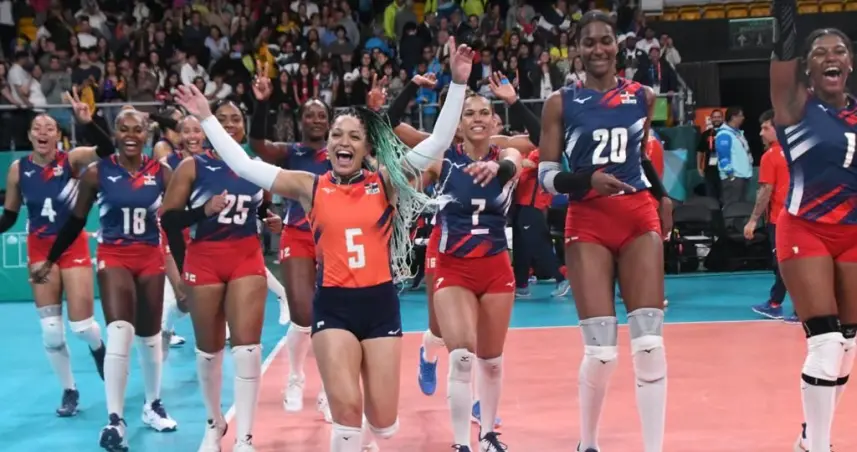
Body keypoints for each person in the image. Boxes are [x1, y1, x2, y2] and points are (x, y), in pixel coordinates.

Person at [175, 36, 472, 452]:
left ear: (366, 147)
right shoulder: (309, 186)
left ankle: (371, 431)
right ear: (329, 143)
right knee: (345, 410)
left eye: (353, 136)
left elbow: (437, 143)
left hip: (380, 306)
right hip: (333, 307)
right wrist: (207, 118)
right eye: (337, 134)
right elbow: (243, 164)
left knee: (384, 424)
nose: (343, 141)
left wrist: (457, 83)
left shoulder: (386, 182)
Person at [537, 10, 672, 452]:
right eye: (589, 42)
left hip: (637, 217)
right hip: (588, 219)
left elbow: (640, 156)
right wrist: (586, 181)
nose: (598, 49)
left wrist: (663, 195)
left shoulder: (643, 97)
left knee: (650, 345)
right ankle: (589, 442)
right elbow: (546, 176)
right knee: (601, 352)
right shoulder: (561, 102)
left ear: (618, 45)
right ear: (577, 50)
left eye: (605, 41)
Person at [31, 108, 178, 451]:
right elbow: (75, 222)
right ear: (115, 134)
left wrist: (185, 266)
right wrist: (50, 259)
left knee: (150, 337)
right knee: (120, 331)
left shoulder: (163, 173)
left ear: (147, 134)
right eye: (123, 129)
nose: (130, 135)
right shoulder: (97, 173)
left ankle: (152, 404)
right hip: (114, 256)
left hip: (150, 257)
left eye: (137, 129)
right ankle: (115, 419)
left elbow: (176, 223)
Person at [161, 102, 276, 452]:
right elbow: (168, 220)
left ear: (243, 125)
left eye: (235, 119)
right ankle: (214, 422)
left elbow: (261, 207)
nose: (228, 125)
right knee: (209, 352)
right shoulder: (192, 166)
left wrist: (270, 220)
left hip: (245, 256)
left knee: (247, 349)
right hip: (205, 259)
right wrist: (203, 210)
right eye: (221, 120)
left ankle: (245, 438)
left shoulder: (255, 166)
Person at [770, 2, 857, 450]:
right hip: (806, 228)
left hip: (853, 235)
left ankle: (810, 437)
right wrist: (785, 12)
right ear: (807, 67)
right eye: (820, 52)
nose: (830, 57)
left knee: (847, 346)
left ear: (850, 63)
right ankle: (819, 447)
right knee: (824, 343)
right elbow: (783, 53)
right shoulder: (796, 105)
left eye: (839, 50)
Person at [424, 74, 523, 452]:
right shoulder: (442, 159)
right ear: (458, 122)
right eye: (469, 113)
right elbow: (404, 163)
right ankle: (461, 443)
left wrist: (501, 170)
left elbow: (519, 159)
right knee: (463, 358)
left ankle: (488, 436)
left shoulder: (507, 155)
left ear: (494, 121)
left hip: (496, 267)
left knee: (492, 362)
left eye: (484, 112)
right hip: (454, 267)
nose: (477, 118)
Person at [0, 105, 111, 417]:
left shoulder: (71, 160)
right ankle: (69, 390)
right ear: (29, 135)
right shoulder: (18, 169)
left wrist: (87, 122)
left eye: (49, 128)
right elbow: (10, 215)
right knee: (50, 330)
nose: (43, 133)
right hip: (39, 249)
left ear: (58, 136)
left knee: (82, 327)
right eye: (37, 128)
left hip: (72, 245)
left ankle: (98, 348)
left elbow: (106, 150)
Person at [247, 62, 333, 417]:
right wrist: (262, 104)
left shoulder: (343, 152)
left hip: (333, 240)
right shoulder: (292, 152)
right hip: (296, 236)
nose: (315, 119)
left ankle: (329, 389)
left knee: (332, 315)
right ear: (301, 121)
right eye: (309, 114)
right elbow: (257, 144)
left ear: (329, 121)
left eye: (321, 115)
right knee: (302, 314)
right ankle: (296, 377)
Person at [159, 114, 206, 353]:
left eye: (196, 130)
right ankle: (164, 328)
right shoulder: (167, 164)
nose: (192, 136)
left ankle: (212, 336)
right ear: (179, 136)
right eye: (186, 131)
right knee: (184, 296)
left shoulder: (213, 161)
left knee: (201, 294)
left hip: (202, 233)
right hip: (173, 233)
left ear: (205, 133)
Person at [744, 110, 794, 322]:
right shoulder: (798, 150)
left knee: (785, 264)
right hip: (801, 217)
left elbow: (765, 191)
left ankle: (800, 309)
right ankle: (775, 303)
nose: (761, 133)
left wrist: (752, 220)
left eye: (766, 128)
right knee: (788, 263)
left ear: (778, 129)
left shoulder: (770, 156)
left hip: (781, 220)